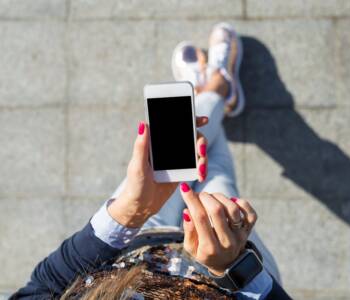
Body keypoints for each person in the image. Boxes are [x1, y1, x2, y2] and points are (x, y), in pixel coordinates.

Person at [12, 23, 292, 299]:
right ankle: (215, 88)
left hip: (137, 239)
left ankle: (213, 90)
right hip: (230, 269)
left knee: (184, 150)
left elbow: (41, 289)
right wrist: (234, 267)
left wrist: (129, 211)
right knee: (217, 178)